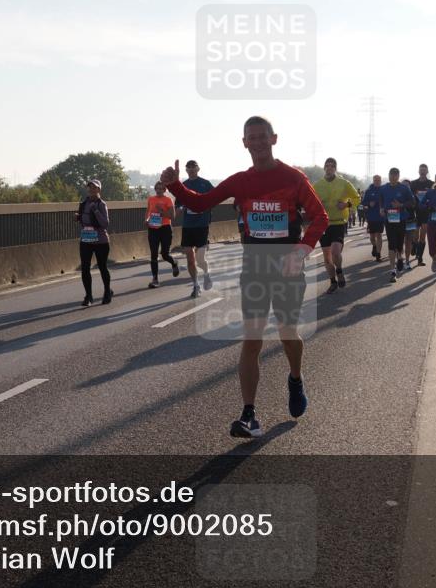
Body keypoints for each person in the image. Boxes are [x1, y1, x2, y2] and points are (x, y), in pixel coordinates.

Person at [161, 116, 327, 438]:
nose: (258, 142)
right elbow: (201, 203)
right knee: (251, 339)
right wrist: (174, 186)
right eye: (252, 137)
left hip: (288, 269)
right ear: (244, 143)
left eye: (263, 136)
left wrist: (301, 251)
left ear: (274, 139)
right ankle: (249, 414)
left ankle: (295, 377)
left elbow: (319, 216)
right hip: (254, 269)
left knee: (287, 333)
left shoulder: (294, 178)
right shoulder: (240, 181)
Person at [312, 158, 361, 295]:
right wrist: (317, 205)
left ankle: (339, 270)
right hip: (323, 223)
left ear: (335, 168)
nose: (329, 168)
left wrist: (346, 205)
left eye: (332, 166)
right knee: (327, 257)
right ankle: (333, 282)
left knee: (335, 251)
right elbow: (310, 202)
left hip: (339, 222)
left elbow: (357, 198)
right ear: (324, 168)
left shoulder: (344, 183)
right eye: (327, 166)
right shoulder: (317, 185)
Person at [179, 160, 214, 298]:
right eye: (189, 168)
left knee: (200, 259)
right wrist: (181, 208)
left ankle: (206, 273)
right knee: (189, 257)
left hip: (202, 224)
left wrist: (205, 206)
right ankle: (196, 285)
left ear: (198, 169)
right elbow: (179, 204)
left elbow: (215, 198)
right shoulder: (184, 185)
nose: (191, 170)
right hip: (188, 225)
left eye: (194, 167)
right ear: (186, 170)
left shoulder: (205, 184)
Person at [76, 179, 112, 307]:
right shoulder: (83, 203)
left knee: (102, 267)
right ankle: (88, 296)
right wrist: (79, 217)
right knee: (85, 268)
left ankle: (107, 292)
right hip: (86, 239)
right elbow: (83, 220)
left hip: (100, 241)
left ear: (99, 190)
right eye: (90, 187)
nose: (91, 189)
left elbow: (105, 224)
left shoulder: (102, 204)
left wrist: (95, 211)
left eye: (94, 187)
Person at [378, 168, 415, 283]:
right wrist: (381, 208)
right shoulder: (383, 188)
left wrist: (401, 204)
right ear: (388, 175)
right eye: (391, 175)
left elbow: (412, 202)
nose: (393, 177)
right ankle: (392, 271)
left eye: (395, 175)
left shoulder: (404, 188)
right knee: (391, 243)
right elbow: (380, 199)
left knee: (399, 243)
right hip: (389, 220)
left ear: (398, 176)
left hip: (401, 219)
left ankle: (400, 258)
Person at [145, 181, 180, 288]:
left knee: (164, 254)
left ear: (165, 190)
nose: (159, 190)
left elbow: (172, 216)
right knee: (153, 255)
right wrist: (146, 220)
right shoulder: (151, 199)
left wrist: (162, 212)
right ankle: (155, 279)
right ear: (155, 189)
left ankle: (174, 263)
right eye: (157, 188)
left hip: (165, 229)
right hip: (153, 228)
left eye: (161, 189)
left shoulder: (168, 200)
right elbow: (148, 211)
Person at [409, 164, 434, 267]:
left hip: (426, 213)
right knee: (416, 235)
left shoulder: (431, 184)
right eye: (421, 170)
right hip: (416, 212)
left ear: (427, 171)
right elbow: (409, 197)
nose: (423, 172)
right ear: (418, 171)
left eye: (424, 170)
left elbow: (434, 197)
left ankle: (420, 258)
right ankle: (414, 244)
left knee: (423, 236)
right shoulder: (413, 183)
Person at [361, 175, 384, 261]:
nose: (377, 181)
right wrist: (369, 204)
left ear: (381, 181)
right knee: (372, 237)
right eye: (375, 180)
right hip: (371, 217)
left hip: (380, 217)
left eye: (378, 180)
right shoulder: (369, 191)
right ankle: (374, 246)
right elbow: (363, 202)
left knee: (379, 235)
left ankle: (378, 254)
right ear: (373, 181)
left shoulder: (383, 190)